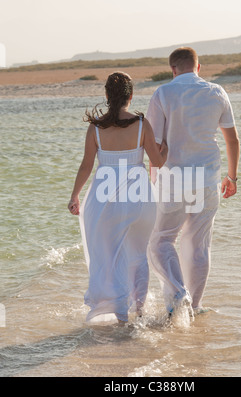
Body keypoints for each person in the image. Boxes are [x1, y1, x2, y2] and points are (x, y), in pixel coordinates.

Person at [68, 72, 168, 325]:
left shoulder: (96, 127)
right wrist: (165, 146)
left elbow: (86, 166)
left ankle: (119, 312)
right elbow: (157, 162)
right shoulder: (142, 124)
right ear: (131, 96)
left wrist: (75, 195)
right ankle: (140, 310)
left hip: (104, 201)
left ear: (106, 96)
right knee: (137, 254)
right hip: (139, 199)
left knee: (108, 255)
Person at [146, 47, 240, 316]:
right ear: (199, 67)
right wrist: (232, 177)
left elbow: (156, 146)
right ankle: (194, 307)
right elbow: (232, 139)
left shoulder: (163, 93)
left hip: (173, 178)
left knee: (160, 241)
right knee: (197, 245)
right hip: (207, 178)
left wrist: (154, 181)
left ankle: (178, 292)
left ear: (172, 69)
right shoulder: (217, 92)